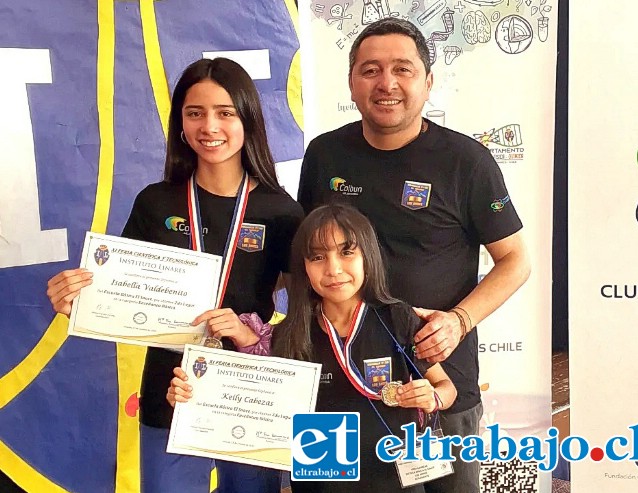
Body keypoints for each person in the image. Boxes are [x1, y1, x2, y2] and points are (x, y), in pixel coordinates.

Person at [46, 57, 304, 493]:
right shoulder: (156, 202)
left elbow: (310, 316)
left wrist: (248, 335)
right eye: (195, 112)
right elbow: (120, 296)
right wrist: (76, 300)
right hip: (172, 389)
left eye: (225, 112)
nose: (210, 126)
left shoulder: (280, 211)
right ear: (180, 124)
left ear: (248, 120)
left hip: (250, 394)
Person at [297, 18, 531, 493]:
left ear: (427, 81)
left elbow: (515, 261)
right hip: (341, 389)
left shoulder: (467, 162)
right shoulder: (325, 155)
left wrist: (459, 321)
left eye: (402, 69)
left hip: (439, 386)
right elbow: (302, 255)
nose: (386, 83)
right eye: (371, 70)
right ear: (351, 82)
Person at [170, 203, 457, 492]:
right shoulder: (289, 335)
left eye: (347, 252)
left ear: (367, 255)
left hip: (394, 483)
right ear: (304, 267)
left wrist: (432, 397)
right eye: (318, 257)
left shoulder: (397, 318)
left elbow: (447, 388)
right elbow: (245, 402)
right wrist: (192, 398)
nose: (333, 269)